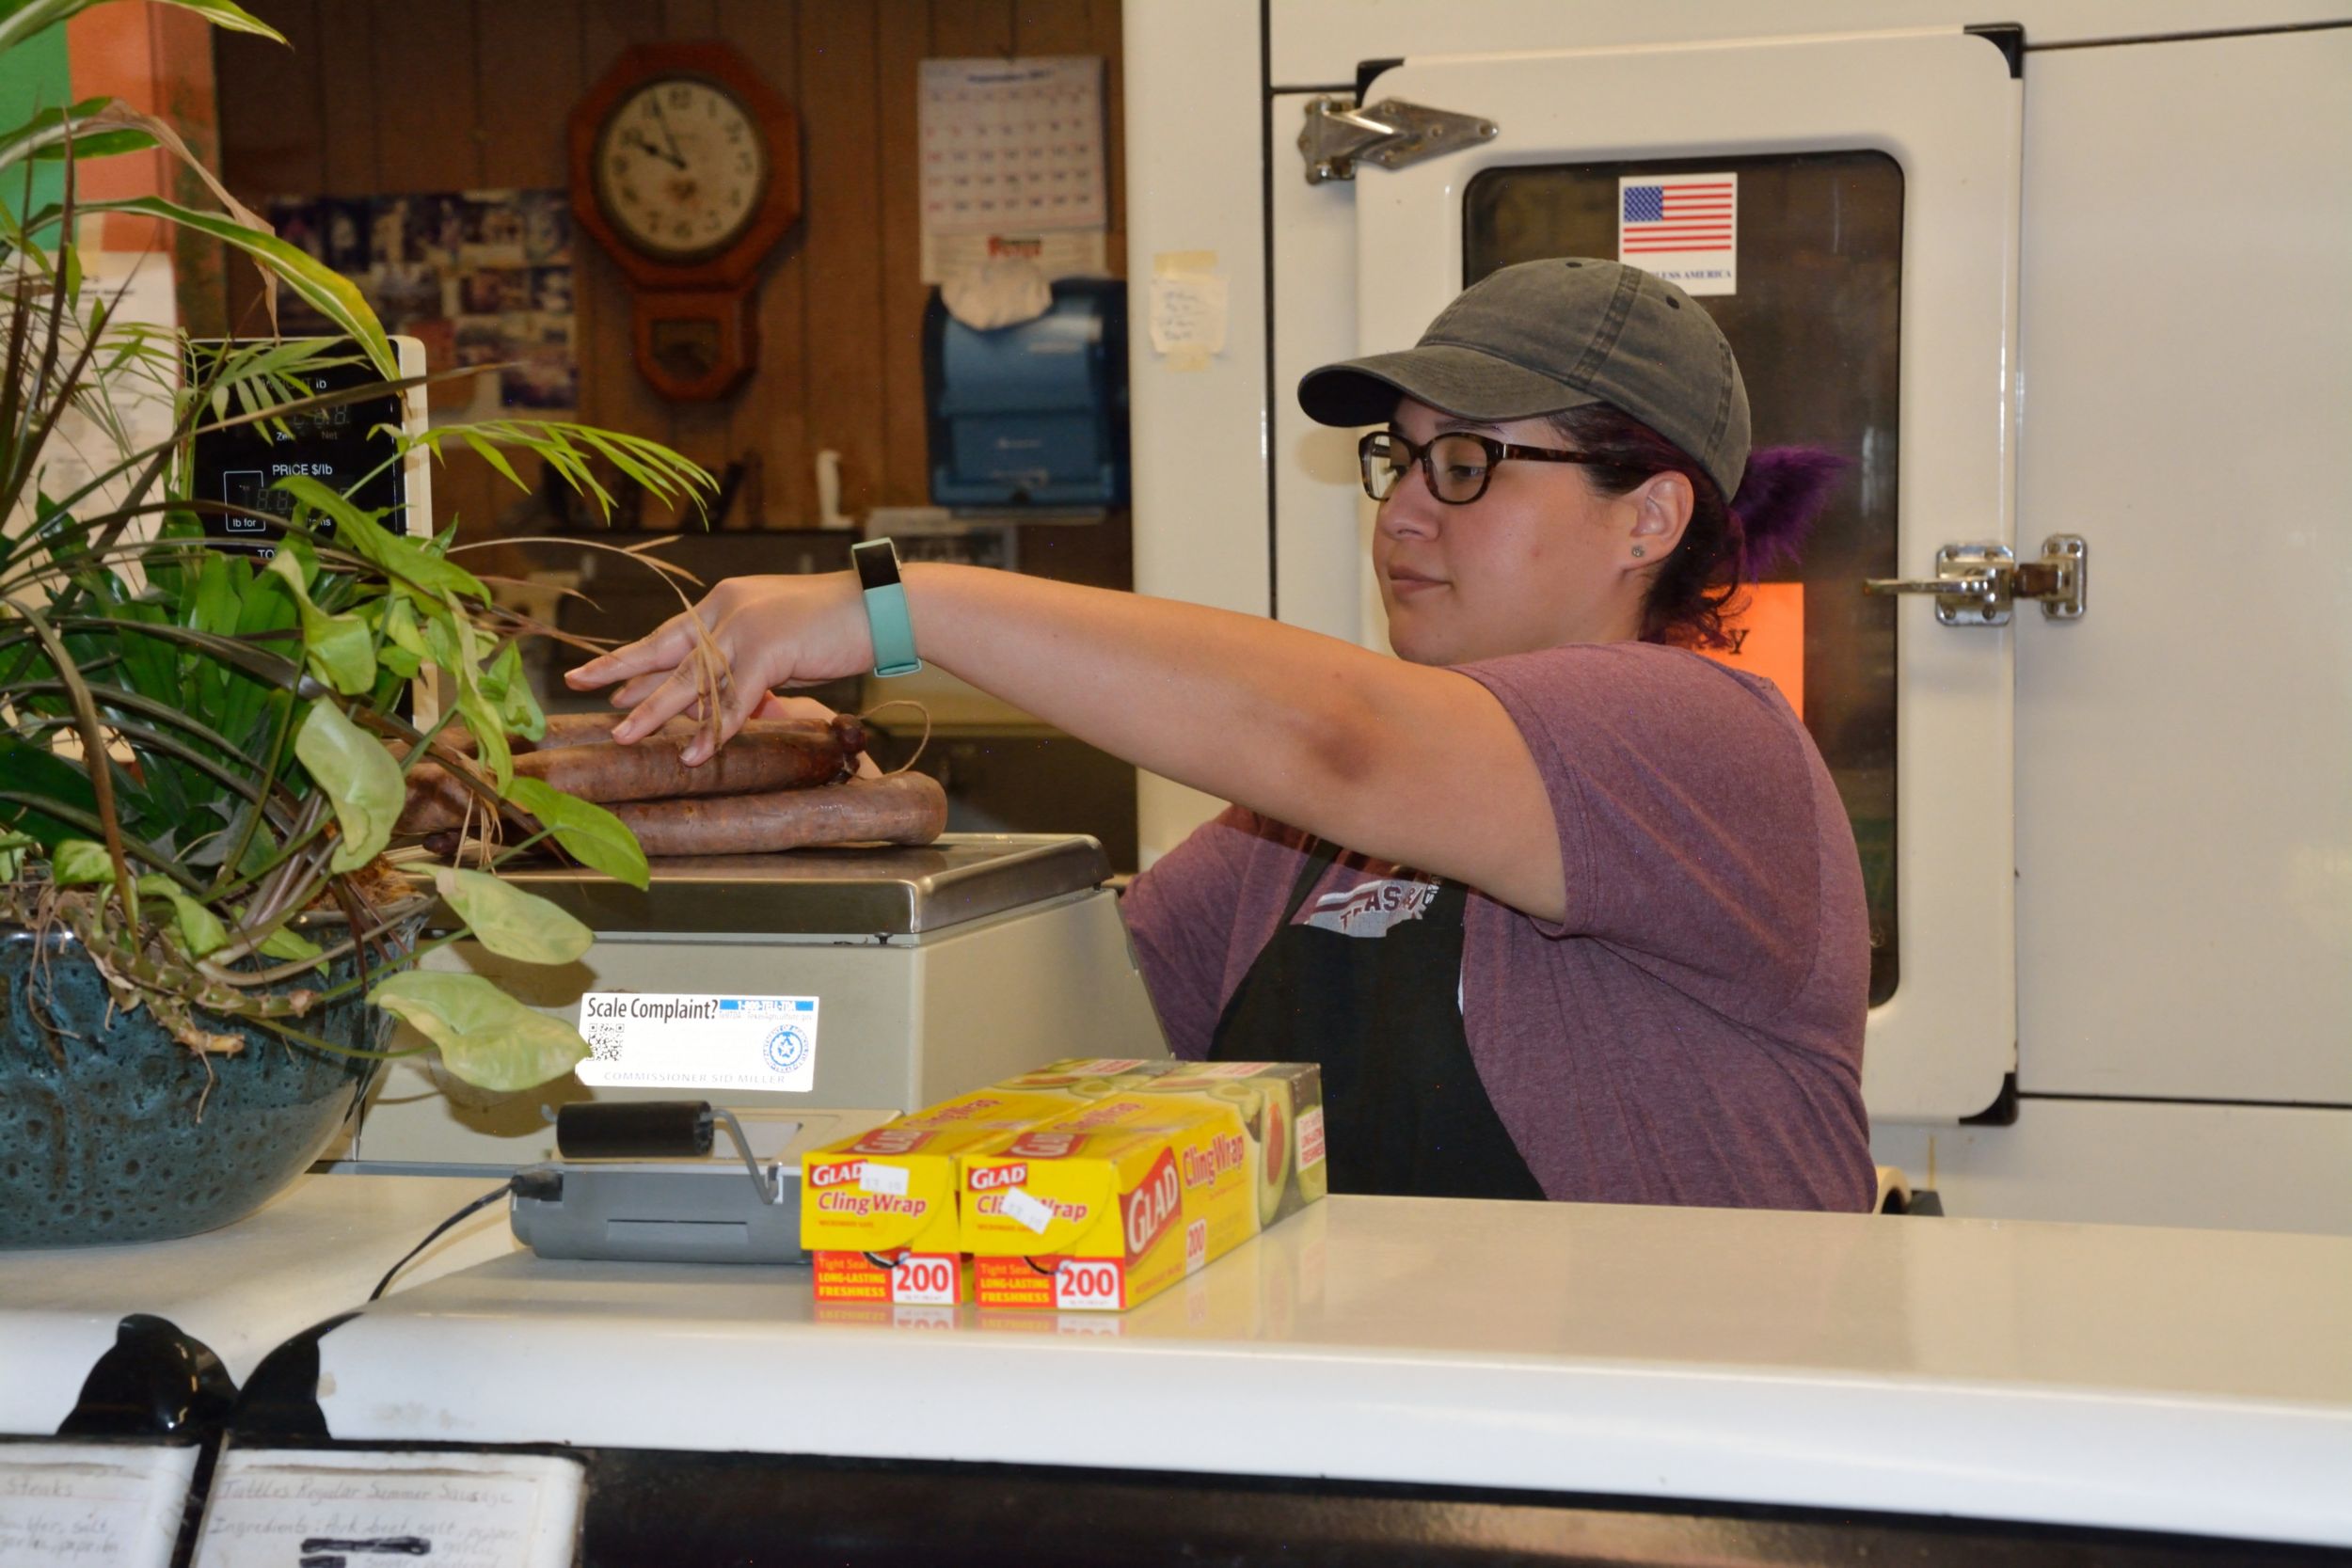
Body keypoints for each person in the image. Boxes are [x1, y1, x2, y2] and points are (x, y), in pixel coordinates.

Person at [567, 258, 1874, 1212]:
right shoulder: (1298, 848)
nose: (1405, 515)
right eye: (1399, 459)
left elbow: (1340, 735)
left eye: (1466, 465)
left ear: (1648, 521)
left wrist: (892, 610)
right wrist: (826, 798)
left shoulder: (1710, 744)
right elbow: (1046, 1026)